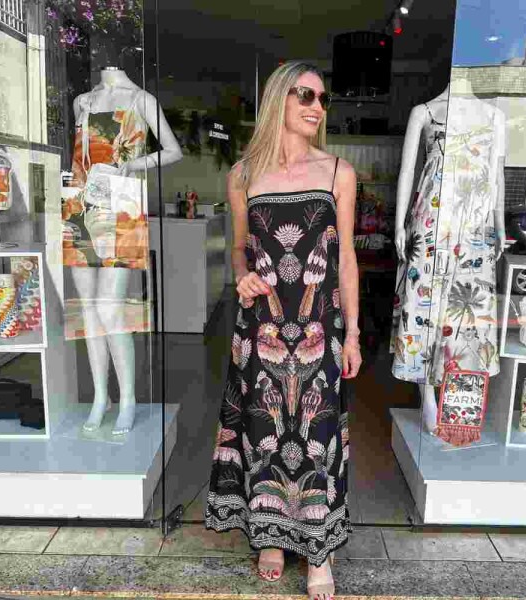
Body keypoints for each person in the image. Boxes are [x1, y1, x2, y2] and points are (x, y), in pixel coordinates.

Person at [204, 60, 361, 600]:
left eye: (322, 98)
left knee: (317, 438)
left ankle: (319, 551)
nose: (317, 107)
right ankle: (270, 536)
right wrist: (243, 276)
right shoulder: (243, 175)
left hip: (319, 330)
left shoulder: (338, 173)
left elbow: (345, 261)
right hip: (262, 330)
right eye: (305, 95)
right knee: (264, 433)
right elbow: (239, 250)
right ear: (279, 99)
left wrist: (353, 334)